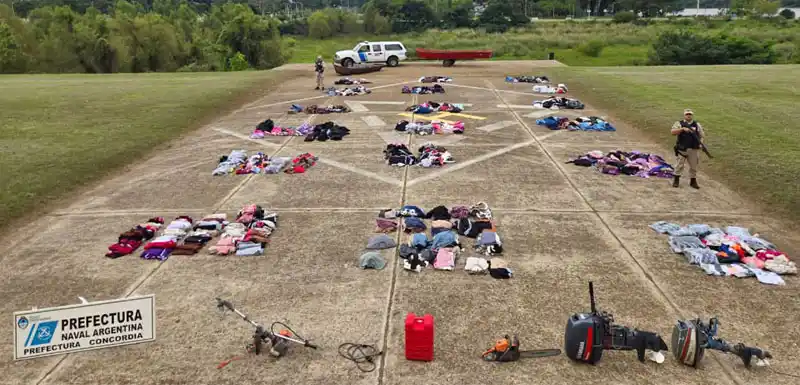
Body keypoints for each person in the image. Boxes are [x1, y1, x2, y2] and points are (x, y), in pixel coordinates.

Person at [670, 108, 705, 189]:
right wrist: (682, 129)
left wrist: (701, 143)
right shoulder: (679, 123)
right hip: (682, 148)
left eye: (690, 114)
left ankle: (693, 181)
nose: (688, 116)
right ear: (684, 115)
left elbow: (702, 136)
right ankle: (676, 180)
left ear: (692, 115)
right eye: (687, 114)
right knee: (679, 165)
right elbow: (672, 132)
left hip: (693, 149)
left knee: (694, 166)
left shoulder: (697, 124)